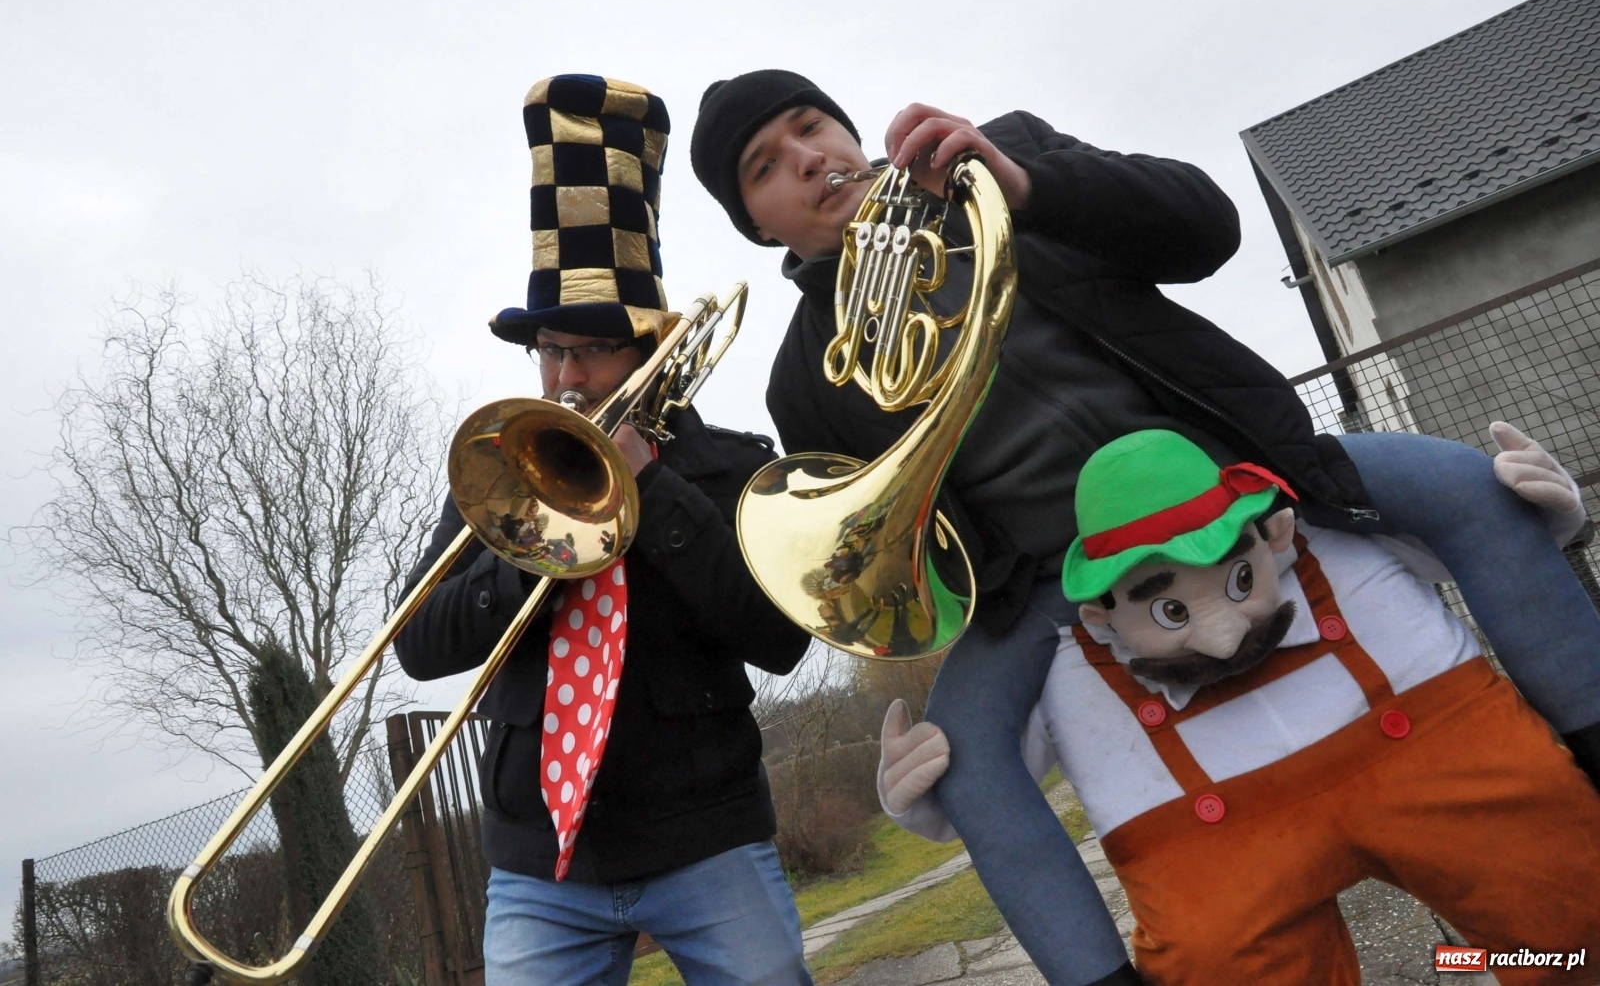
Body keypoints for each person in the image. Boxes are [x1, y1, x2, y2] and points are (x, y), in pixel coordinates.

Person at [689, 70, 1600, 986]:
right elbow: (899, 561)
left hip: (1236, 470)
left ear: (849, 130)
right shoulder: (801, 380)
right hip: (1051, 575)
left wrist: (1030, 190)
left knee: (1471, 489)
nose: (806, 160)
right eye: (766, 168)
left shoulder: (1001, 157)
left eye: (811, 127)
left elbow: (1207, 226)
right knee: (966, 755)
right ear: (756, 221)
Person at [881, 429, 1600, 984]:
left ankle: (1463, 967)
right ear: (1099, 613)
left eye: (1237, 581)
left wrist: (1534, 509)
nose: (1224, 637)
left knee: (1568, 932)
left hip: (1441, 761)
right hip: (1212, 865)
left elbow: (1488, 541)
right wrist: (913, 790)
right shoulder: (1058, 655)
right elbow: (976, 788)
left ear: (1276, 537)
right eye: (1166, 607)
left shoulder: (1340, 537)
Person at [396, 75, 813, 986]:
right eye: (552, 349)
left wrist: (652, 491)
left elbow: (781, 639)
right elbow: (420, 644)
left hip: (708, 840)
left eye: (592, 348)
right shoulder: (503, 465)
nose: (569, 376)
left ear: (652, 348)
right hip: (539, 863)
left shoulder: (730, 467)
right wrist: (537, 540)